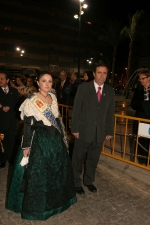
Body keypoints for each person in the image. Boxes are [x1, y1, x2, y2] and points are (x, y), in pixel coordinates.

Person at [6, 72, 77, 220]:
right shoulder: (31, 100)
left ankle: (55, 203)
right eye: (44, 81)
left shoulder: (53, 97)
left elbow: (56, 118)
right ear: (38, 83)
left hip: (54, 139)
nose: (47, 84)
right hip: (38, 138)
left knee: (57, 170)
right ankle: (38, 208)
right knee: (38, 173)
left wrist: (63, 137)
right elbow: (27, 124)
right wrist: (26, 146)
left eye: (50, 81)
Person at [71, 62, 115, 194]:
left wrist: (110, 130)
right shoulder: (84, 88)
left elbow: (110, 112)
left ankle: (88, 181)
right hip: (83, 131)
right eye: (99, 72)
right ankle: (75, 182)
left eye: (104, 73)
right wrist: (75, 128)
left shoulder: (110, 91)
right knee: (77, 158)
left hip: (99, 133)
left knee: (93, 159)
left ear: (107, 75)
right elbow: (77, 109)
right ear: (94, 74)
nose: (102, 75)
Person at [131, 68, 150, 165]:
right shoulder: (138, 90)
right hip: (141, 119)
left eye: (143, 78)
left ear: (149, 78)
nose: (141, 80)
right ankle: (142, 159)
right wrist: (144, 105)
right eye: (140, 79)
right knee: (142, 140)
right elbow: (133, 104)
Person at [0, 72, 19, 168]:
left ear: (7, 80)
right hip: (1, 121)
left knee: (11, 139)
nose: (0, 80)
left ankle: (10, 158)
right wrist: (1, 108)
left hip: (11, 121)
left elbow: (17, 104)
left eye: (2, 78)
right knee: (2, 141)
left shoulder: (14, 91)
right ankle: (2, 159)